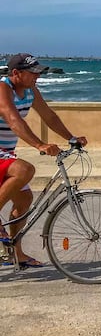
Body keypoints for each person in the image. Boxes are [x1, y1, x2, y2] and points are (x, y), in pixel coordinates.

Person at [0, 53, 88, 268]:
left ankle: (16, 254)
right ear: (16, 73)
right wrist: (39, 145)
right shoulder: (2, 89)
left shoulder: (30, 90)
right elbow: (12, 119)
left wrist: (71, 138)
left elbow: (48, 116)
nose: (36, 77)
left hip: (5, 152)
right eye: (32, 73)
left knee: (24, 201)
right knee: (24, 170)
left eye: (38, 73)